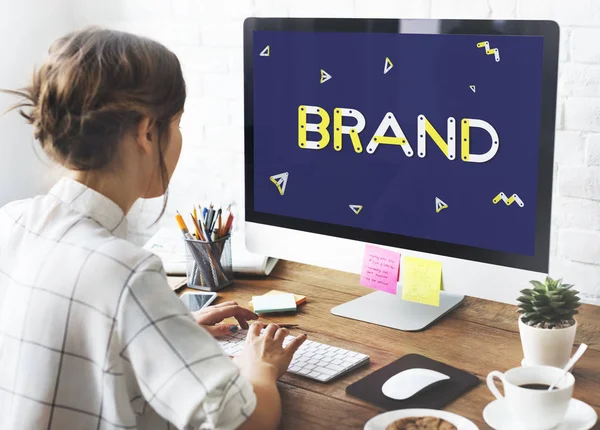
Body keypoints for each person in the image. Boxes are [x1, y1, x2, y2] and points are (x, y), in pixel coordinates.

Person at [0, 27, 306, 430]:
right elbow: (246, 422)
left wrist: (165, 330)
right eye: (176, 124)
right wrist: (259, 367)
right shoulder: (126, 273)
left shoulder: (11, 221)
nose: (177, 139)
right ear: (147, 132)